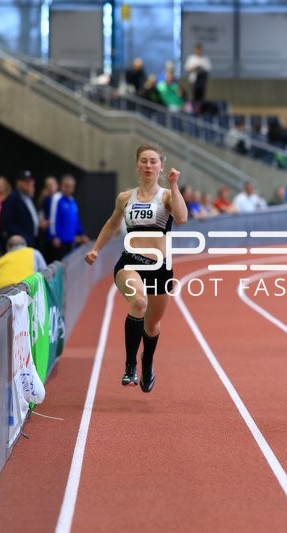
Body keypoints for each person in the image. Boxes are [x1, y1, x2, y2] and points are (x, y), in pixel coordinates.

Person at [84, 144, 188, 392]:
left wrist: (174, 185)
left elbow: (182, 218)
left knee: (152, 325)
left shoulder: (166, 196)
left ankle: (147, 361)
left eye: (153, 161)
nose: (148, 165)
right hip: (131, 261)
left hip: (160, 266)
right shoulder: (125, 198)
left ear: (161, 167)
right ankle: (130, 365)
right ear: (137, 166)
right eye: (144, 161)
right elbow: (112, 224)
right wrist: (96, 249)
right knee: (139, 302)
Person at [45, 174, 89, 261]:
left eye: (71, 187)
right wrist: (54, 236)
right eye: (66, 186)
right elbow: (52, 218)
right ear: (61, 186)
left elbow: (75, 221)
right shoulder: (56, 198)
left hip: (71, 240)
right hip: (59, 241)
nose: (68, 189)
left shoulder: (72, 201)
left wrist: (82, 234)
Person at [0, 170, 39, 248]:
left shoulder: (29, 198)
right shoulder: (12, 198)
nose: (29, 183)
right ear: (18, 182)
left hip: (32, 240)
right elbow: (6, 222)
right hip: (20, 243)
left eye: (30, 181)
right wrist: (21, 237)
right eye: (26, 181)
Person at [184, 43, 211, 108]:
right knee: (194, 96)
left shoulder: (205, 59)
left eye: (199, 49)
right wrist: (194, 68)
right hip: (193, 81)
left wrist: (201, 68)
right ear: (195, 50)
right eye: (197, 49)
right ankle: (194, 108)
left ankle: (200, 108)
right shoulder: (191, 58)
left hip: (202, 81)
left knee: (201, 97)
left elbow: (208, 69)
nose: (198, 51)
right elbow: (187, 68)